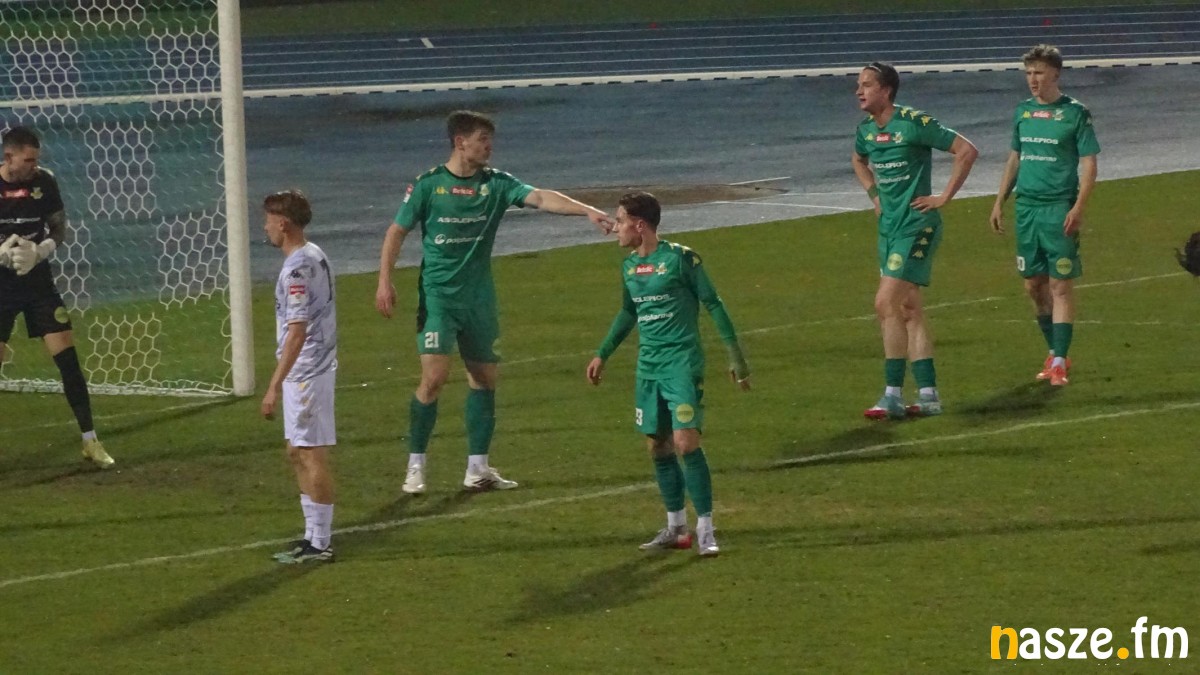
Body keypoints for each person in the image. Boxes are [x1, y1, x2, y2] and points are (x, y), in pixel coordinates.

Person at [376, 110, 613, 495]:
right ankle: (415, 465)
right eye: (482, 140)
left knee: (485, 380)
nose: (489, 147)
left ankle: (478, 468)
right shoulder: (428, 185)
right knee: (433, 379)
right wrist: (384, 281)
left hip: (479, 300)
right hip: (439, 297)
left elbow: (540, 197)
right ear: (460, 143)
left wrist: (587, 210)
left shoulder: (497, 184)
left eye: (490, 140)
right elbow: (396, 231)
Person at [586, 192, 751, 557]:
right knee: (657, 445)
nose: (615, 228)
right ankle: (676, 527)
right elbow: (628, 312)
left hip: (681, 364)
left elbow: (713, 303)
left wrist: (736, 356)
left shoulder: (681, 259)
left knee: (685, 442)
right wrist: (602, 353)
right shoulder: (630, 267)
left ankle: (705, 528)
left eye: (620, 221)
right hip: (648, 368)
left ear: (639, 225)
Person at [851, 62, 979, 420]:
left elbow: (966, 150)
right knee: (909, 309)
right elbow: (858, 160)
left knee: (885, 303)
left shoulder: (914, 123)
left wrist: (944, 197)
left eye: (867, 85)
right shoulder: (866, 130)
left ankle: (892, 394)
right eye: (858, 85)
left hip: (916, 227)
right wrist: (875, 195)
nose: (859, 91)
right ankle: (928, 396)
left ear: (886, 90)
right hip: (889, 230)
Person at [0, 126, 114, 468]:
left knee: (68, 360)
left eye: (36, 159)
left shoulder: (45, 182)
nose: (34, 165)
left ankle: (90, 440)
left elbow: (59, 229)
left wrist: (41, 250)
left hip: (38, 284)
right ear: (9, 157)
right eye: (28, 160)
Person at [989, 45, 1099, 387]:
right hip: (1026, 209)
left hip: (1058, 209)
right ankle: (1054, 352)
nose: (1032, 79)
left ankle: (1060, 362)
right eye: (1028, 73)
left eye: (1038, 72)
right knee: (1033, 285)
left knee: (1060, 284)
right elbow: (1015, 158)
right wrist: (999, 201)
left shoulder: (1075, 113)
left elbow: (1089, 164)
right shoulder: (1023, 112)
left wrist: (1078, 207)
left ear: (1055, 73)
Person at [260, 190, 338, 564]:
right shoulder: (312, 254)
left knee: (310, 453)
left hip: (306, 372)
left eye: (268, 221)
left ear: (283, 223)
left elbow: (297, 332)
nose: (265, 227)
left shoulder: (296, 270)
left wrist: (273, 386)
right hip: (308, 369)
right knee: (296, 451)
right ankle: (311, 536)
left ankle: (321, 543)